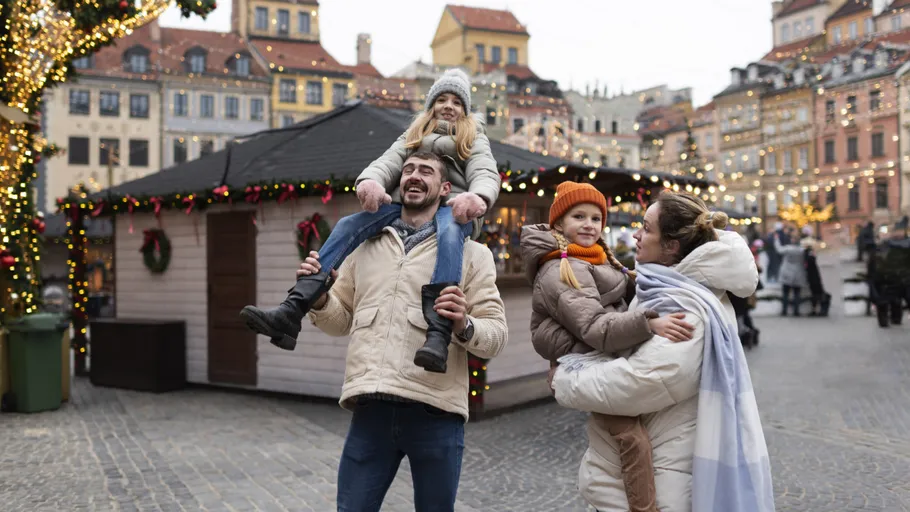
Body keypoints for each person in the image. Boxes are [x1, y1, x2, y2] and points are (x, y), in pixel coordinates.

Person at [240, 68, 500, 374]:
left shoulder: (473, 138)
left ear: (466, 111)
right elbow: (387, 162)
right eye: (441, 99)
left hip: (456, 209)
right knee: (350, 224)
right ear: (430, 107)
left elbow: (485, 171)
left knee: (450, 234)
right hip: (406, 206)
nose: (449, 106)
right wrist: (371, 183)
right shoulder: (413, 136)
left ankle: (438, 332)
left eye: (457, 102)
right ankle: (293, 308)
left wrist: (478, 198)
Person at [295, 151, 508, 512]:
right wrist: (318, 300)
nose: (413, 176)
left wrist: (464, 324)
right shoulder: (364, 247)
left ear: (444, 189)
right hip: (371, 407)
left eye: (426, 171)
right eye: (408, 169)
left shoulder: (473, 255)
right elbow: (341, 320)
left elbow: (496, 336)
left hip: (436, 412)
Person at [548, 191, 773, 512]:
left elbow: (642, 381)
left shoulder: (686, 306)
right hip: (650, 467)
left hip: (662, 477)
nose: (636, 235)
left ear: (672, 246)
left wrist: (566, 378)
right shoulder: (670, 289)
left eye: (647, 228)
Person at [520, 182, 696, 512]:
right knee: (631, 439)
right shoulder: (563, 267)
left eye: (596, 218)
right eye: (579, 216)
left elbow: (617, 296)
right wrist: (648, 322)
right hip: (584, 358)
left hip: (596, 355)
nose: (589, 225)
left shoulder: (597, 258)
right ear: (559, 223)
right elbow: (594, 327)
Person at [775, 229, 808, 316]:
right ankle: (796, 311)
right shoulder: (802, 250)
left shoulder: (788, 249)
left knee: (785, 293)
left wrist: (776, 239)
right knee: (797, 293)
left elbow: (778, 250)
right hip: (798, 273)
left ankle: (784, 311)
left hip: (787, 272)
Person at [803, 236, 830, 317]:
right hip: (815, 276)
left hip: (813, 277)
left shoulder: (808, 253)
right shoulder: (810, 252)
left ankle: (817, 309)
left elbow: (809, 264)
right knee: (817, 293)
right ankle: (818, 309)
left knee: (816, 294)